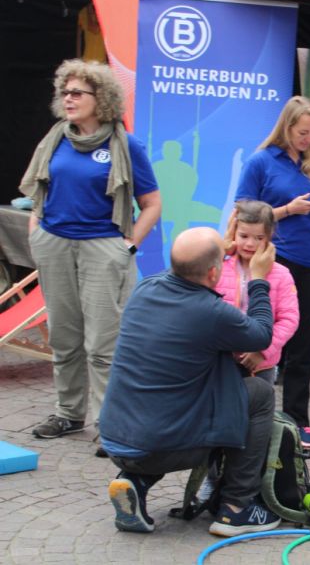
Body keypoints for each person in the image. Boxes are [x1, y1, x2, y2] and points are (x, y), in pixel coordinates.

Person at [99, 227, 279, 536]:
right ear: (213, 272)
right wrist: (259, 280)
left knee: (173, 404)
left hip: (116, 438)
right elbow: (262, 334)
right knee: (259, 394)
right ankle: (237, 508)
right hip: (161, 446)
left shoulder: (145, 288)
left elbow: (186, 265)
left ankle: (134, 482)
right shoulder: (212, 312)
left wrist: (216, 249)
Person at [20, 59, 162, 444]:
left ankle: (108, 424)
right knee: (64, 337)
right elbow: (39, 194)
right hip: (54, 244)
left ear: (101, 99)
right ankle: (68, 414)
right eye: (64, 92)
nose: (68, 99)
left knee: (102, 343)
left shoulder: (126, 144)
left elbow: (152, 203)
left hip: (103, 246)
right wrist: (37, 234)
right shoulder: (55, 139)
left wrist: (127, 245)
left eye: (77, 93)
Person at [235, 96, 310, 448]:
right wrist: (287, 210)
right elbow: (243, 216)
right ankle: (246, 410)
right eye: (302, 132)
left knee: (304, 342)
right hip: (277, 258)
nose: (308, 139)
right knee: (264, 331)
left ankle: (297, 420)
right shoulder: (261, 161)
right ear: (287, 127)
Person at [217, 200, 299, 385]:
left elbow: (289, 319)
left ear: (269, 236)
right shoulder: (219, 266)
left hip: (261, 366)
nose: (250, 243)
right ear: (233, 232)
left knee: (256, 411)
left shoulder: (281, 274)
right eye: (243, 235)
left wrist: (263, 351)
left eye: (259, 238)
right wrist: (221, 249)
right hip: (220, 361)